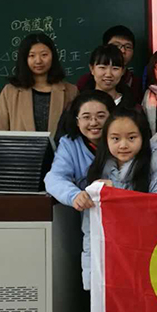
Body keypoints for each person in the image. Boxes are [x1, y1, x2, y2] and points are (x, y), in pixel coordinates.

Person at [44, 91, 115, 290]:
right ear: (77, 121)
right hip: (89, 226)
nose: (94, 122)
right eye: (86, 117)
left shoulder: (123, 140)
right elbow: (54, 178)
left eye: (101, 116)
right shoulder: (70, 144)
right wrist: (75, 195)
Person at [0, 33, 78, 135]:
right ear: (24, 59)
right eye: (32, 55)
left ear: (53, 56)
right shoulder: (10, 92)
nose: (38, 61)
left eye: (44, 55)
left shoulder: (71, 91)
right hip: (19, 146)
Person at [86, 107, 157, 192]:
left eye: (131, 138)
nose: (123, 146)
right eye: (116, 138)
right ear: (106, 140)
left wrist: (113, 192)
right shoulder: (100, 167)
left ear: (143, 138)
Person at [76, 25, 142, 101]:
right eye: (116, 45)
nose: (123, 51)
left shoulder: (136, 83)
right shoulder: (85, 81)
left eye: (128, 47)